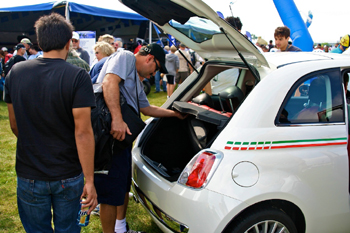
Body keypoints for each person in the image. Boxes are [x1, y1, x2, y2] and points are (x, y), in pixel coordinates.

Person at [4, 13, 97, 232]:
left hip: (29, 172)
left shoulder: (16, 72)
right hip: (68, 172)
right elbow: (83, 132)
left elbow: (14, 124)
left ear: (39, 42)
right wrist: (90, 180)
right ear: (68, 43)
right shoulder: (77, 76)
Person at [94, 43, 185, 233]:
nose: (152, 76)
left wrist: (174, 114)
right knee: (110, 194)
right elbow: (109, 82)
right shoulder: (125, 57)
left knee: (121, 186)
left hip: (123, 139)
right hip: (112, 136)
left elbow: (146, 108)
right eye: (154, 70)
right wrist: (117, 120)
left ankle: (120, 228)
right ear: (150, 58)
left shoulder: (135, 76)